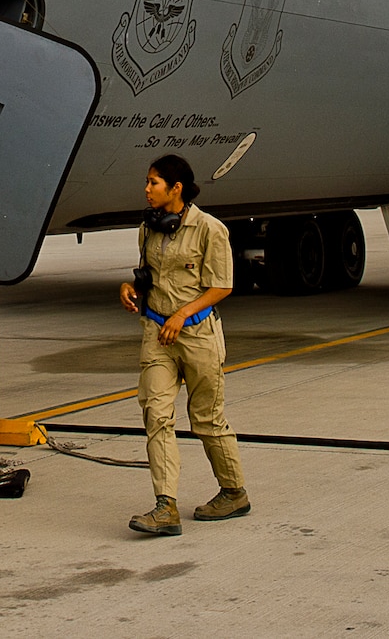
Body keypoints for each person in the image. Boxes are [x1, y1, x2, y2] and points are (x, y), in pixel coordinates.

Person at [118, 153, 248, 535]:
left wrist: (182, 315)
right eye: (147, 181)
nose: (146, 189)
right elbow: (146, 278)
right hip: (157, 335)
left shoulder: (210, 230)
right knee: (156, 416)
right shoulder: (149, 228)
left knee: (207, 420)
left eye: (154, 183)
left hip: (197, 336)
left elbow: (221, 286)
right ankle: (165, 507)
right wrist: (130, 289)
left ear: (176, 189)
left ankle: (233, 491)